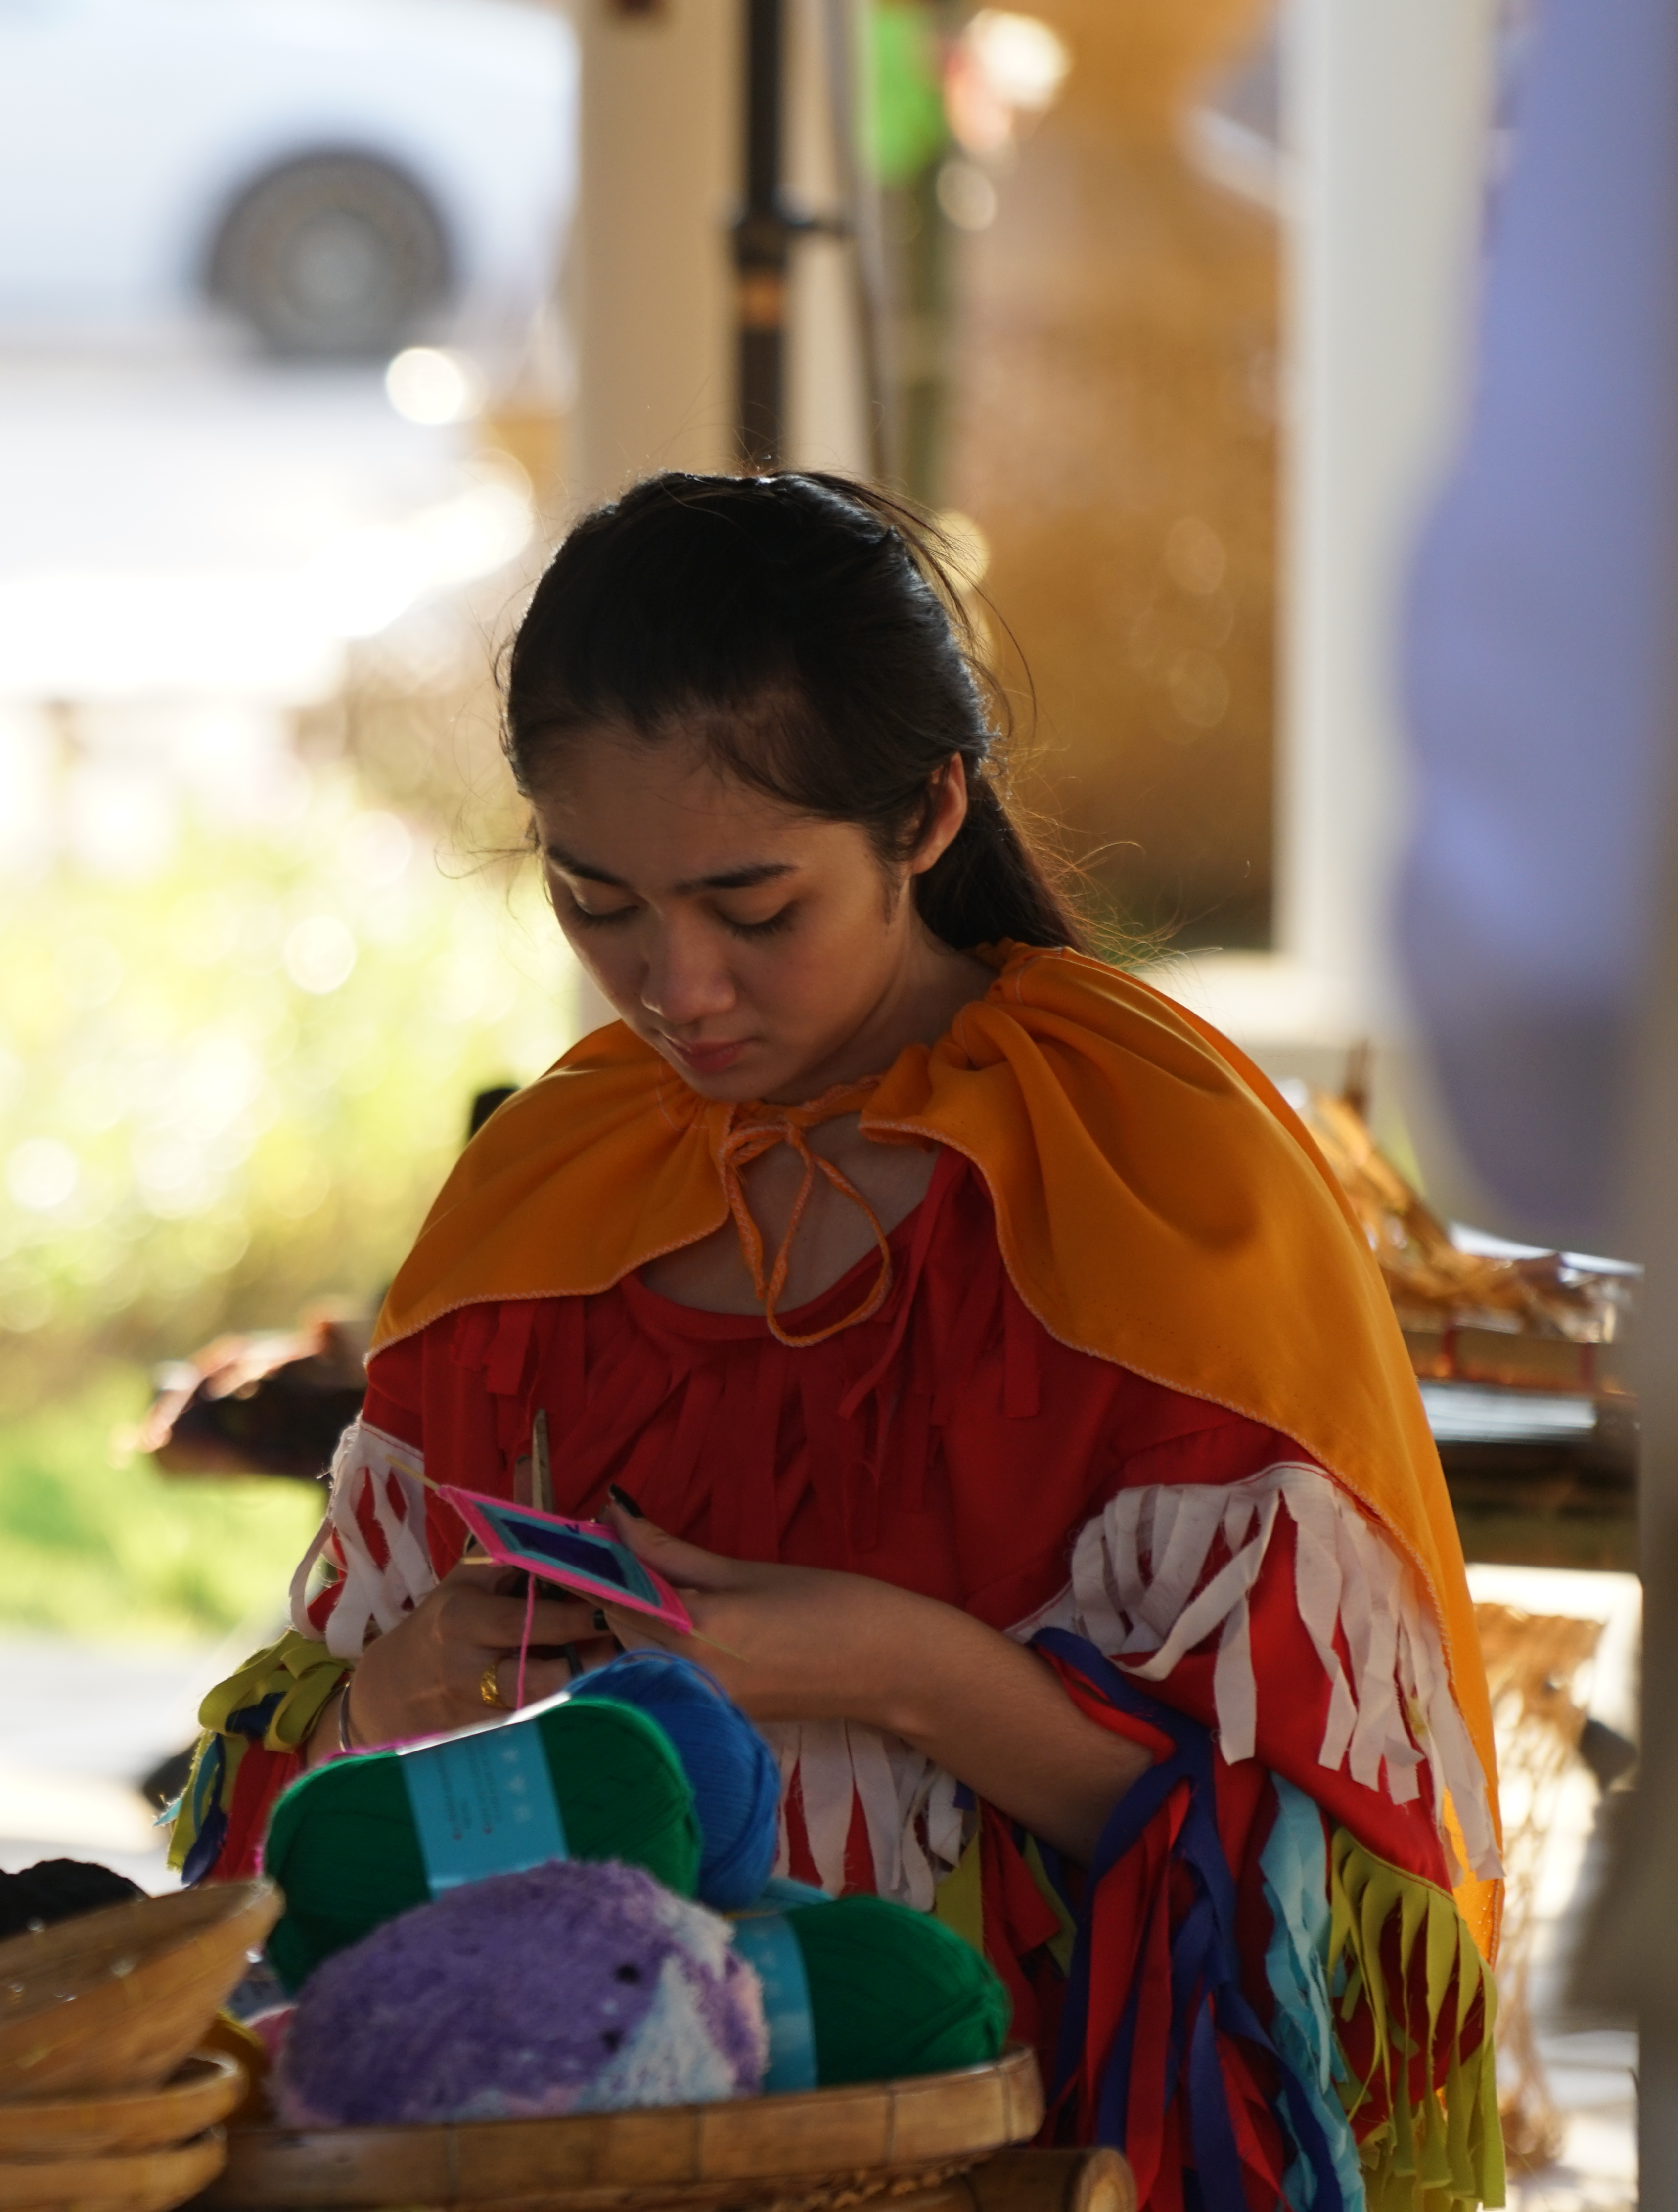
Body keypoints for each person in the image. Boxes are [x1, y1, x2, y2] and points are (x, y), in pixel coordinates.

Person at [170, 473, 1503, 2211]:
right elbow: (284, 1849)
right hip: (558, 2142)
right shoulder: (552, 1180)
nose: (677, 987)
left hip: (1024, 2136)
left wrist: (909, 1678)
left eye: (756, 907)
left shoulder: (1154, 1172)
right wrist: (400, 1695)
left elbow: (1331, 1897)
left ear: (931, 810)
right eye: (599, 901)